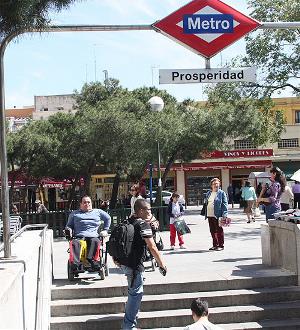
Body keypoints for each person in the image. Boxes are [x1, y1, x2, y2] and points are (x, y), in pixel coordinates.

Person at [114, 199, 167, 330]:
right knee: (136, 294)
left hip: (125, 263)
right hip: (135, 265)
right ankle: (128, 326)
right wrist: (162, 264)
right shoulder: (143, 225)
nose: (150, 212)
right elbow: (152, 246)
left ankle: (131, 320)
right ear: (141, 211)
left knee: (133, 293)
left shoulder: (128, 221)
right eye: (148, 210)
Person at [65, 195, 111, 272]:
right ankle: (75, 263)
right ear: (80, 204)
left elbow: (108, 218)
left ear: (91, 203)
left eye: (88, 202)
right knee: (74, 243)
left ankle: (93, 261)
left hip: (93, 235)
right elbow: (69, 225)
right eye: (84, 202)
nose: (87, 204)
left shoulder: (98, 212)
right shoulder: (75, 214)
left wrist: (105, 230)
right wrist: (68, 230)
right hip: (79, 236)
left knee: (95, 241)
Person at [204, 178, 228, 251]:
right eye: (214, 184)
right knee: (212, 230)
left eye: (217, 183)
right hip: (209, 214)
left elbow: (225, 204)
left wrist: (224, 214)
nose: (216, 185)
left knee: (219, 230)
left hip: (218, 214)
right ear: (211, 185)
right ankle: (215, 244)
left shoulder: (221, 193)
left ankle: (221, 245)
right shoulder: (209, 193)